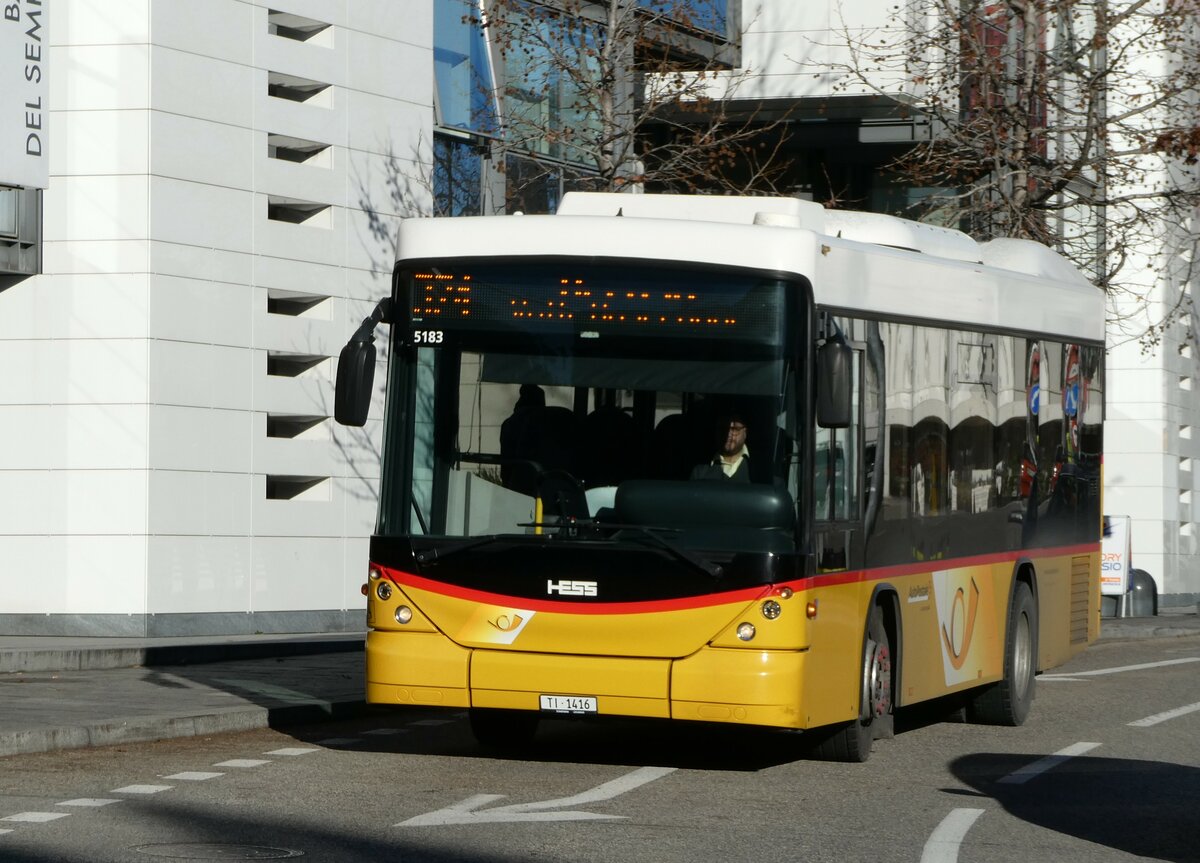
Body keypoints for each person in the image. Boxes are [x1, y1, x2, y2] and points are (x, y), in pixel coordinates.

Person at [690, 414, 751, 482]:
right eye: (723, 428)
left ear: (745, 432)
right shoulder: (700, 470)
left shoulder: (760, 467)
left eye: (735, 429)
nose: (728, 434)